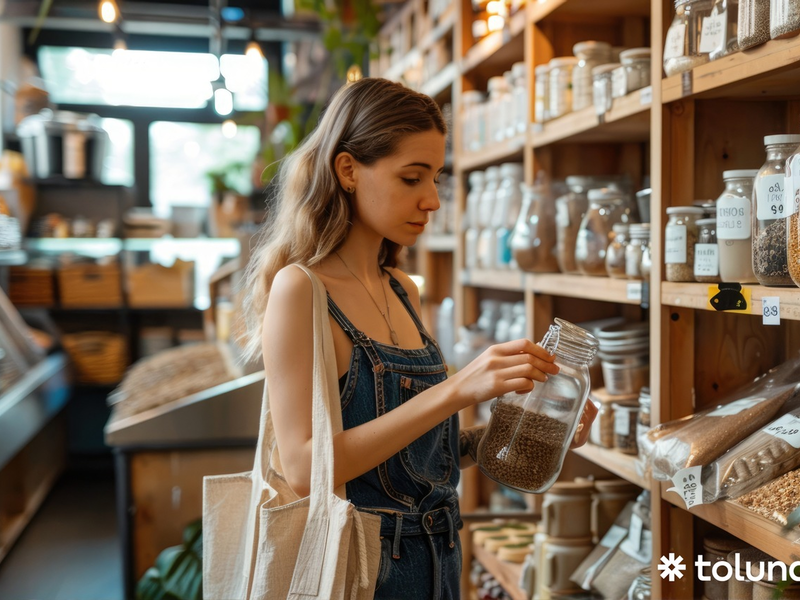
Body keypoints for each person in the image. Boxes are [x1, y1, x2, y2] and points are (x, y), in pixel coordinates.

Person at [242, 77, 597, 600]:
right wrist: (457, 390)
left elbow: (416, 455)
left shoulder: (403, 289)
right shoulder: (303, 289)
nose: (431, 200)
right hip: (363, 570)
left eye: (435, 177)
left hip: (441, 559)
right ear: (348, 171)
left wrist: (534, 429)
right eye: (412, 178)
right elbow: (303, 469)